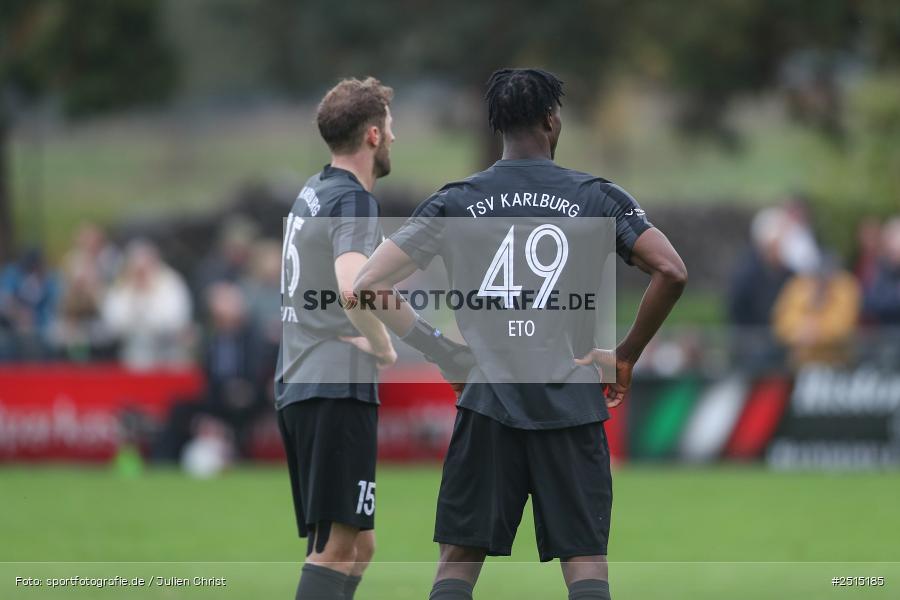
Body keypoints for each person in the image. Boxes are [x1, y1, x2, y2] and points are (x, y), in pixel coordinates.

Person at [353, 68, 686, 600]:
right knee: (585, 565)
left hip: (486, 404)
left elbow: (367, 284)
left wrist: (444, 354)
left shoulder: (455, 200)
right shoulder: (596, 197)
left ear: (498, 127)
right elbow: (672, 270)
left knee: (457, 565)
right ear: (552, 121)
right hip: (572, 408)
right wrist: (625, 355)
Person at [275, 77, 398, 600]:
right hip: (333, 386)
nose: (396, 136)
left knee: (357, 544)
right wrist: (385, 347)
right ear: (372, 135)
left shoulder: (314, 190)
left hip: (302, 379)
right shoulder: (353, 202)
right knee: (333, 546)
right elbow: (353, 290)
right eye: (391, 127)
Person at [101, 240, 193, 369]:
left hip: (168, 355)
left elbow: (176, 320)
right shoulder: (121, 286)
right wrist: (135, 297)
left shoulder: (171, 282)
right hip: (132, 354)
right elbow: (113, 323)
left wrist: (148, 298)